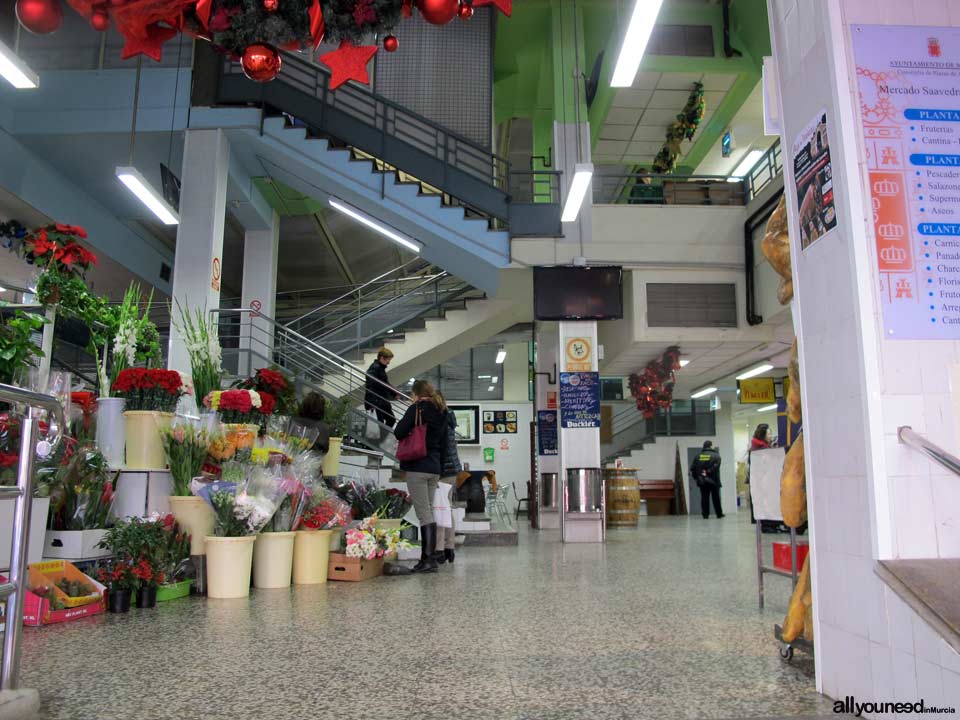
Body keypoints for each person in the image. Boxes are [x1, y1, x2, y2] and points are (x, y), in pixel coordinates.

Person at [394, 379, 446, 573]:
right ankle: (429, 558)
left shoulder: (417, 409)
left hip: (417, 466)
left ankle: (428, 560)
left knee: (423, 513)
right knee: (429, 511)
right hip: (434, 467)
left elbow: (399, 432)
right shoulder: (441, 409)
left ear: (415, 393)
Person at [435, 392, 461, 565]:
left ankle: (439, 549)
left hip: (442, 470)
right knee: (447, 508)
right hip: (452, 470)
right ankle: (449, 547)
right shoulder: (449, 417)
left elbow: (439, 446)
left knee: (439, 510)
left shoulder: (439, 419)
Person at [365, 347, 398, 429]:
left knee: (389, 420)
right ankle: (381, 440)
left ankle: (382, 439)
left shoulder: (379, 368)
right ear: (382, 358)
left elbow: (384, 383)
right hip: (377, 400)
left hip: (380, 400)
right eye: (388, 360)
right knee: (386, 421)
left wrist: (393, 393)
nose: (389, 362)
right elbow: (372, 382)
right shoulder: (376, 368)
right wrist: (393, 393)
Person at [690, 440, 723, 519]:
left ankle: (705, 515)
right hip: (714, 480)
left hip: (702, 481)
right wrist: (708, 472)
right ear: (711, 446)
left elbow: (692, 468)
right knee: (716, 498)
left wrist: (697, 477)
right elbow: (715, 467)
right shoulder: (716, 456)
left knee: (704, 498)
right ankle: (719, 514)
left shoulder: (698, 456)